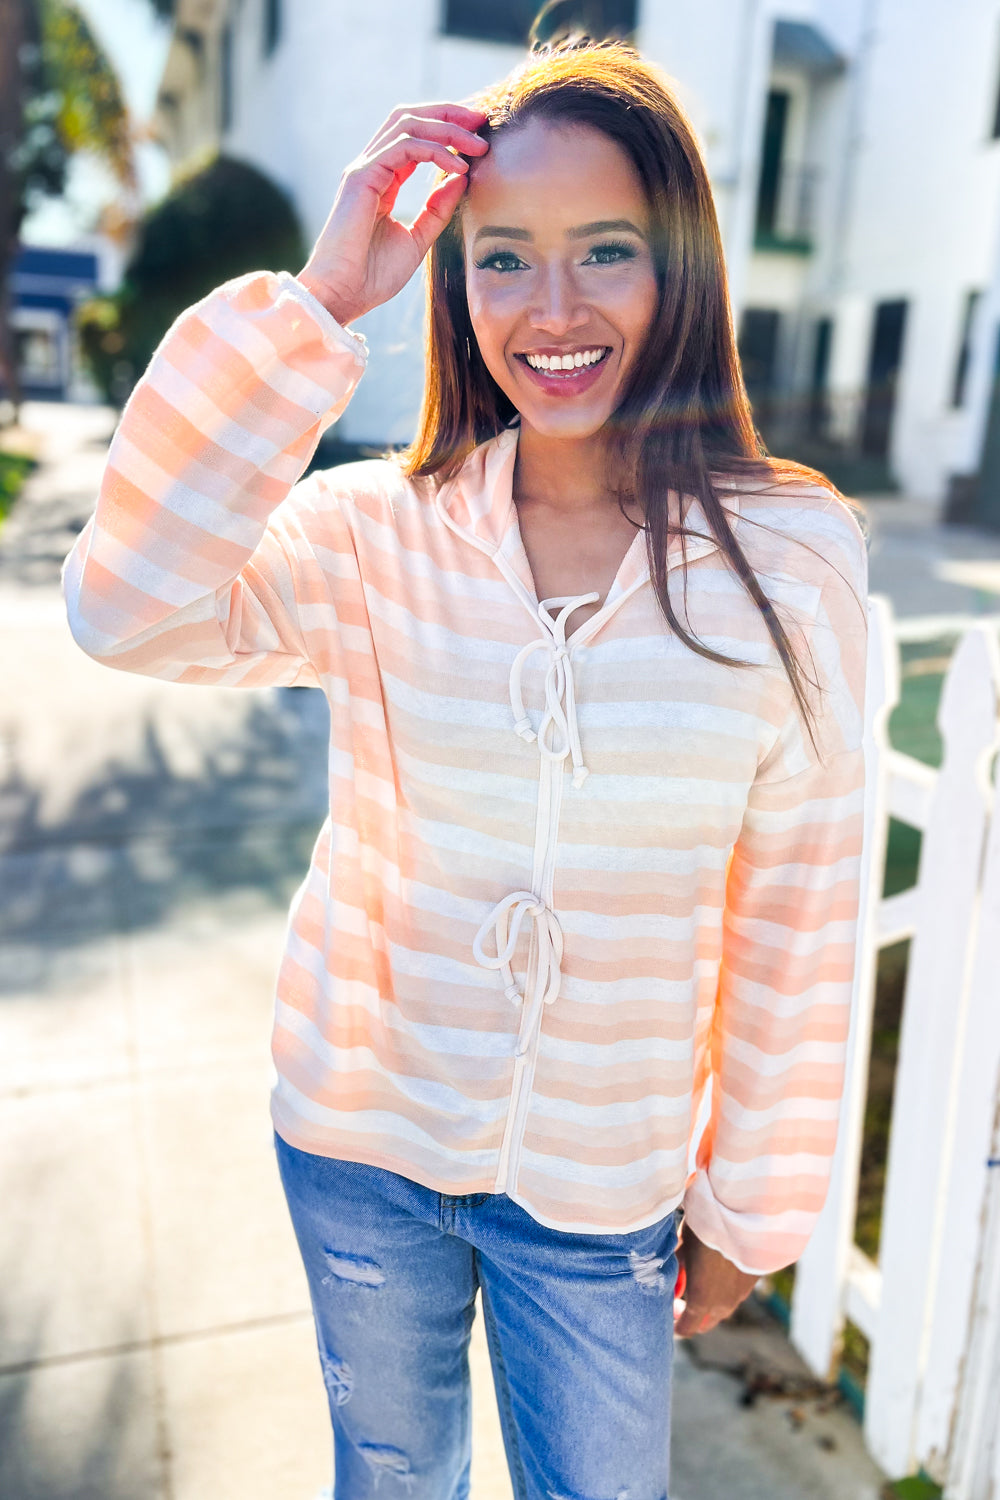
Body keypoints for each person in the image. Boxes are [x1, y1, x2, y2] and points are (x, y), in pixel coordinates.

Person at [62, 34, 868, 1500]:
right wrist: (318, 306)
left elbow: (798, 906)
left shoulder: (790, 564)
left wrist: (752, 1200)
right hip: (360, 1142)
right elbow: (125, 609)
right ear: (454, 280)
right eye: (503, 260)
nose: (552, 310)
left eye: (606, 251)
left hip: (606, 1187)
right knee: (393, 1485)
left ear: (679, 264)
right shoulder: (374, 534)